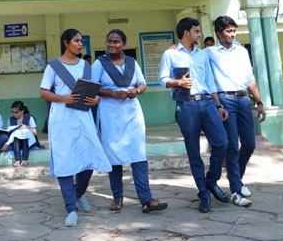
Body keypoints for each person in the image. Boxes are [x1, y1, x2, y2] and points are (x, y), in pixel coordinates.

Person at [40, 28, 112, 227]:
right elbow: (43, 92)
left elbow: (95, 92)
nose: (80, 44)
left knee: (89, 156)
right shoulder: (53, 66)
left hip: (83, 117)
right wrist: (62, 97)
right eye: (76, 40)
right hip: (62, 119)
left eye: (81, 41)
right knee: (64, 161)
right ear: (66, 42)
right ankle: (71, 207)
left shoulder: (86, 66)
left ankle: (79, 192)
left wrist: (95, 100)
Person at [93, 29, 168, 214]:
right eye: (109, 41)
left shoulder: (132, 63)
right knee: (114, 156)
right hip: (110, 113)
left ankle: (146, 199)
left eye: (116, 42)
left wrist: (137, 90)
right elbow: (93, 87)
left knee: (138, 154)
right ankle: (117, 198)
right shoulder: (99, 64)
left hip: (132, 112)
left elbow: (142, 84)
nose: (112, 45)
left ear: (124, 44)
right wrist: (112, 93)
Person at [159, 17, 229, 213]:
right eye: (196, 31)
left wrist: (218, 105)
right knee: (193, 151)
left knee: (221, 143)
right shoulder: (170, 54)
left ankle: (211, 182)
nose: (199, 34)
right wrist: (178, 83)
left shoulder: (202, 55)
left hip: (207, 103)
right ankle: (203, 193)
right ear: (186, 33)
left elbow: (210, 80)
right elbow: (162, 79)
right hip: (186, 105)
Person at [207, 16, 266, 207]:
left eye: (233, 31)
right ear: (218, 33)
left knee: (249, 143)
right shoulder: (209, 53)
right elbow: (195, 62)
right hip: (225, 99)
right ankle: (235, 191)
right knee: (232, 145)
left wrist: (258, 101)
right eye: (227, 31)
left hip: (243, 99)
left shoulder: (241, 51)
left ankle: (237, 179)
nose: (231, 35)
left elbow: (250, 78)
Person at [6, 100, 38, 167]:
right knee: (16, 136)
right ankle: (17, 160)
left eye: (17, 112)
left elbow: (35, 132)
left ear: (22, 111)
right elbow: (8, 132)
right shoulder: (10, 120)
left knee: (25, 135)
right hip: (15, 143)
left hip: (28, 142)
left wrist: (27, 128)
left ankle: (24, 160)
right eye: (13, 112)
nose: (14, 114)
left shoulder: (29, 118)